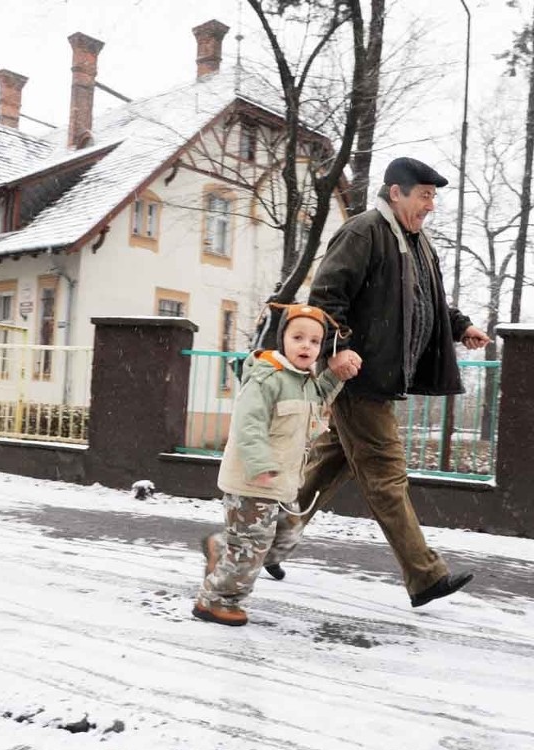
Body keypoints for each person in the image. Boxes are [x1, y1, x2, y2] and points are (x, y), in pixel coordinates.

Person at [262, 156, 491, 608]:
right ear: (396, 193)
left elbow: (430, 301)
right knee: (387, 474)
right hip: (357, 378)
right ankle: (425, 575)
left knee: (328, 466)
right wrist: (338, 346)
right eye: (424, 195)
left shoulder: (416, 243)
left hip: (380, 377)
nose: (430, 205)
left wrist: (460, 325)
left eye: (433, 197)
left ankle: (259, 544)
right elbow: (327, 298)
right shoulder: (365, 232)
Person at [192, 304, 349, 627]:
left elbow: (320, 396)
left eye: (315, 341)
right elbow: (248, 424)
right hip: (253, 482)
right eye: (298, 337)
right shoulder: (266, 378)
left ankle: (221, 547)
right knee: (251, 548)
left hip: (284, 484)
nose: (307, 346)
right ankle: (215, 601)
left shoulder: (304, 382)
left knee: (286, 537)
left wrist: (338, 374)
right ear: (283, 340)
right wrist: (259, 464)